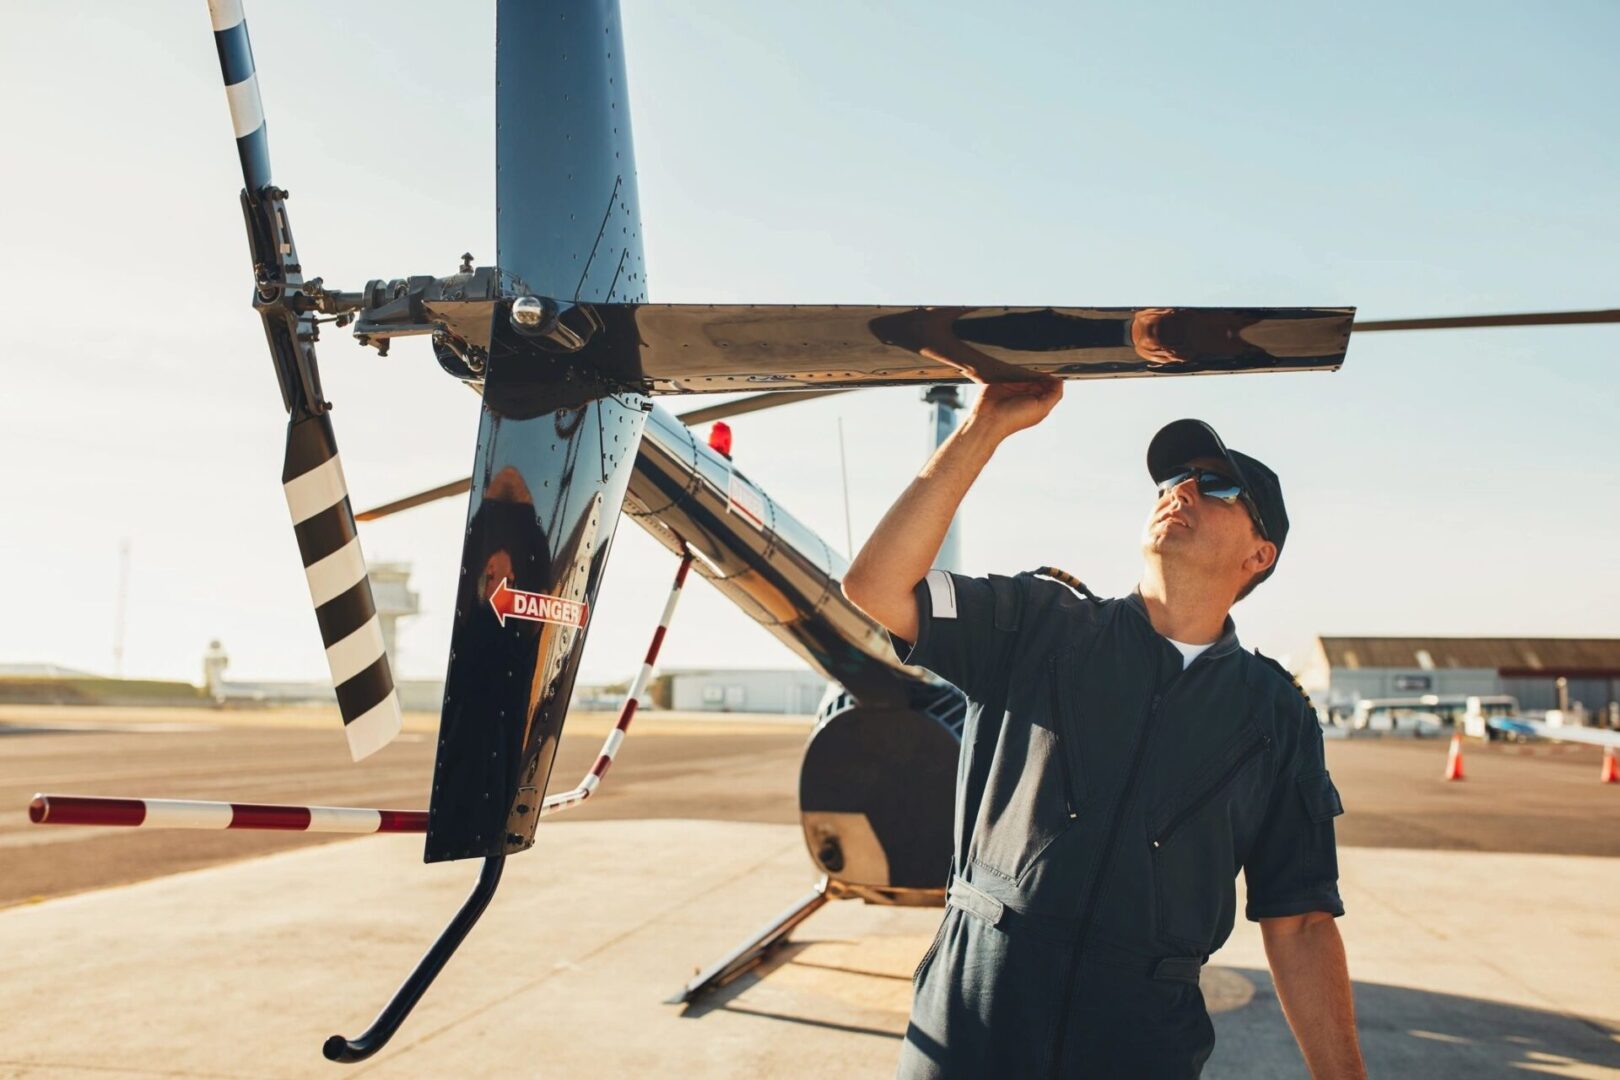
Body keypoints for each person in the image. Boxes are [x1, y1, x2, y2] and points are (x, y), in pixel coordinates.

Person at [842, 378, 1364, 1078]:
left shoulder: (1276, 715)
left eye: (1215, 487)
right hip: (971, 1030)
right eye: (1174, 478)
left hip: (1138, 1049)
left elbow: (1299, 921)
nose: (1180, 490)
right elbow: (876, 587)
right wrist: (985, 425)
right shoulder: (1038, 623)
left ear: (1259, 555)